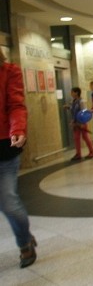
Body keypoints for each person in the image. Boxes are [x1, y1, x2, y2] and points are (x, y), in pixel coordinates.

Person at [0, 50, 37, 268]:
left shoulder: (9, 71)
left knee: (8, 203)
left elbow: (16, 105)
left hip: (4, 147)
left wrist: (18, 129)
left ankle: (25, 242)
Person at [66, 87, 93, 161]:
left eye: (72, 92)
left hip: (81, 122)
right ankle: (78, 154)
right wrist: (69, 108)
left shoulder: (81, 101)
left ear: (76, 93)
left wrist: (83, 123)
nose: (71, 93)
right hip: (75, 123)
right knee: (76, 138)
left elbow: (84, 112)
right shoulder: (73, 101)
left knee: (85, 137)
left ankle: (92, 152)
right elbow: (74, 110)